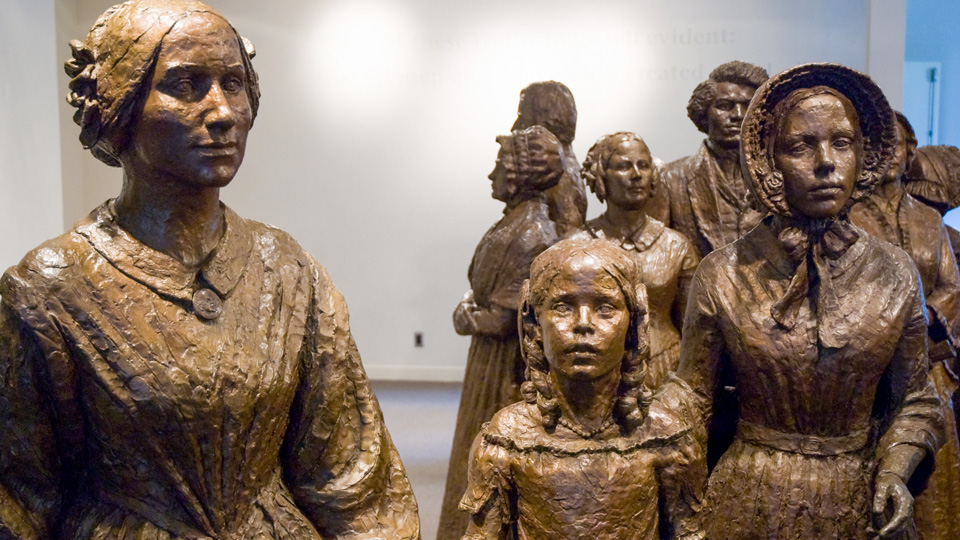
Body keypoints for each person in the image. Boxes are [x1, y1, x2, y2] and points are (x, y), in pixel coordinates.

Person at [0, 1, 420, 538]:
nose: (221, 111)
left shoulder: (291, 271)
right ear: (122, 105)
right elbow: (19, 493)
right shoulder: (52, 287)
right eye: (186, 85)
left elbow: (351, 478)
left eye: (233, 84)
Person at [663, 63, 944, 540]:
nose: (826, 162)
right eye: (800, 146)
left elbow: (917, 400)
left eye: (842, 142)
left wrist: (896, 469)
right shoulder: (724, 273)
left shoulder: (895, 272)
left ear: (864, 154)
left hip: (861, 497)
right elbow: (692, 397)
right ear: (769, 162)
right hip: (750, 496)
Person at [460, 237, 703, 540]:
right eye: (563, 307)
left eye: (605, 307)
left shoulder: (666, 437)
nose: (583, 324)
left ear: (634, 322)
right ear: (534, 323)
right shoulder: (507, 439)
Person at [438, 125, 563, 540]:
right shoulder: (515, 223)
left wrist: (468, 317)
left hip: (506, 367)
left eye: (499, 165)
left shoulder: (532, 234)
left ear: (520, 173)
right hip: (488, 361)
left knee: (491, 458)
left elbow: (515, 316)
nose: (492, 175)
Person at [850, 112, 960, 540]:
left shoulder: (930, 221)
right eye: (876, 144)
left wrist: (929, 314)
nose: (888, 154)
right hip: (869, 375)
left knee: (935, 491)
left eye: (896, 144)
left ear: (909, 152)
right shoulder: (846, 217)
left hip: (928, 370)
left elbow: (952, 284)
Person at [572, 132, 699, 389]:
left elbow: (694, 329)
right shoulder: (575, 245)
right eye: (623, 166)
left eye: (643, 165)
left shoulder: (676, 246)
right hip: (597, 372)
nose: (636, 174)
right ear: (601, 176)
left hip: (666, 368)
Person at [661, 61, 769, 258]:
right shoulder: (671, 178)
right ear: (703, 113)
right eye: (725, 106)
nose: (738, 115)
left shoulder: (781, 173)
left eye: (748, 106)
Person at [511, 81, 588, 236]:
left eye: (522, 117)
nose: (515, 128)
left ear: (545, 119)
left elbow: (569, 237)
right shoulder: (561, 169)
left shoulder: (559, 176)